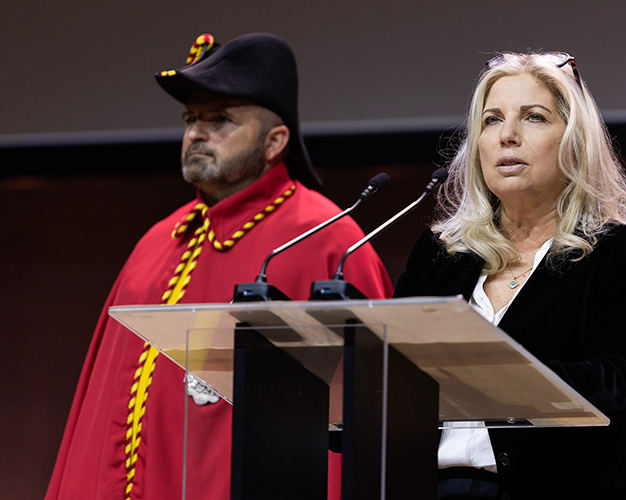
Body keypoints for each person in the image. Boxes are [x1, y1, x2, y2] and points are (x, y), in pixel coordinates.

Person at [46, 33, 393, 500]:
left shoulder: (325, 239)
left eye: (220, 119)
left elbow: (360, 424)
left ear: (275, 141)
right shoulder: (156, 242)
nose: (196, 133)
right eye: (191, 119)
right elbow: (97, 413)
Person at [394, 51, 626, 499]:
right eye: (491, 120)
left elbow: (619, 380)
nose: (507, 135)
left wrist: (490, 375)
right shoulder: (440, 254)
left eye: (534, 117)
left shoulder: (625, 254)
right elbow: (388, 378)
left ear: (574, 141)